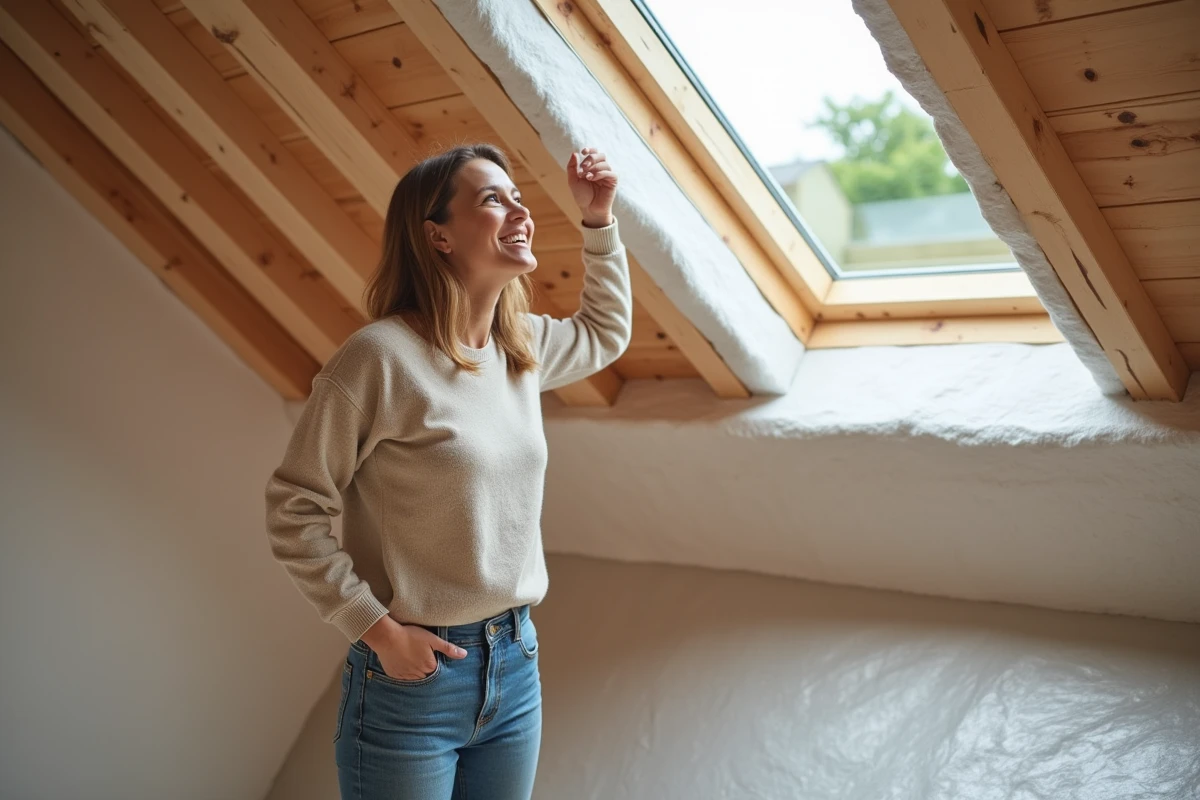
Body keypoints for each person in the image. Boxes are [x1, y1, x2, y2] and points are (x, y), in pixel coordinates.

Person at [263, 142, 631, 799]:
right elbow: (295, 511)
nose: (519, 210)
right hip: (412, 682)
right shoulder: (378, 359)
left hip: (516, 667)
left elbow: (605, 331)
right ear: (437, 236)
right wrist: (376, 630)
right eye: (494, 198)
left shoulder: (521, 350)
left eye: (518, 196)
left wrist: (599, 220)